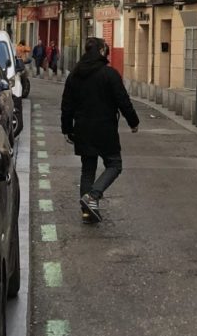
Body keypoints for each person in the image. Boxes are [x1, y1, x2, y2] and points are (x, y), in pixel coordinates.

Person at [60, 36, 140, 224]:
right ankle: (93, 197)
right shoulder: (109, 74)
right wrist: (133, 121)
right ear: (102, 51)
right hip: (105, 129)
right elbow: (123, 100)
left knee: (88, 168)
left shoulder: (75, 75)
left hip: (82, 128)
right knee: (114, 164)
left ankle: (87, 211)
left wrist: (67, 128)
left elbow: (67, 105)